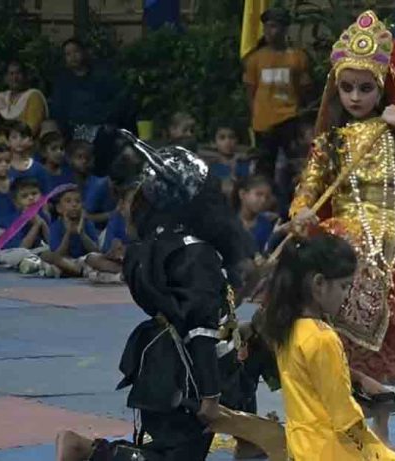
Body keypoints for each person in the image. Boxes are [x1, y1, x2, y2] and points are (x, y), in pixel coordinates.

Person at [289, 11, 395, 443]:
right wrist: (301, 214)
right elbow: (306, 191)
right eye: (346, 87)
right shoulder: (329, 142)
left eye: (365, 87)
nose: (354, 96)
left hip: (391, 247)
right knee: (341, 334)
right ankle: (344, 420)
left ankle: (378, 431)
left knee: (385, 341)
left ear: (382, 86)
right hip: (346, 245)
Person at [54, 136, 259, 461]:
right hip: (189, 374)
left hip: (167, 361)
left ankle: (252, 446)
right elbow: (200, 329)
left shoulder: (159, 245)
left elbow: (208, 308)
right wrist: (210, 395)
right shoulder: (195, 253)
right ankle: (89, 451)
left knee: (250, 367)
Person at [263, 234, 395, 460]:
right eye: (344, 286)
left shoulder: (289, 328)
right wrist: (383, 454)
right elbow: (344, 416)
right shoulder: (322, 338)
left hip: (302, 448)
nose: (347, 296)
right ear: (319, 284)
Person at [243, 7, 311, 181]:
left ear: (284, 28)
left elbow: (303, 89)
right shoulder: (255, 59)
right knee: (264, 169)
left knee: (294, 167)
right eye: (266, 27)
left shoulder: (297, 57)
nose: (269, 32)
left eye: (273, 26)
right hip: (263, 123)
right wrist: (256, 115)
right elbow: (250, 90)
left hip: (289, 119)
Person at [49, 38, 128, 136]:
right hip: (72, 130)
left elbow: (116, 101)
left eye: (76, 51)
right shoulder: (62, 81)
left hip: (100, 127)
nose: (73, 57)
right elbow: (58, 109)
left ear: (84, 52)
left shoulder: (101, 76)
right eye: (68, 54)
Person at [40, 188, 99, 278]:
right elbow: (58, 254)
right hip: (66, 260)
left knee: (95, 258)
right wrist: (67, 233)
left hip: (84, 260)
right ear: (59, 208)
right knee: (46, 255)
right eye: (68, 201)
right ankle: (76, 271)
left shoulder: (87, 223)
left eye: (77, 201)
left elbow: (95, 250)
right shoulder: (56, 225)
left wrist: (82, 233)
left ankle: (72, 271)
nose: (74, 205)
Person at [0, 60, 48, 137]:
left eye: (18, 73)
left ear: (25, 76)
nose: (15, 78)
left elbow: (31, 130)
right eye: (11, 74)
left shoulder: (34, 96)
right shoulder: (2, 97)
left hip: (24, 144)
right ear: (6, 78)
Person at [233, 175, 275, 255]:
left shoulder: (267, 225)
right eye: (258, 194)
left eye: (267, 197)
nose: (263, 200)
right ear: (242, 194)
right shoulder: (227, 222)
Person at [7, 120, 49, 192]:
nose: (19, 140)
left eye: (23, 136)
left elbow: (46, 194)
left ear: (30, 140)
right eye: (14, 137)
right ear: (8, 141)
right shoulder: (3, 168)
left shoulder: (38, 168)